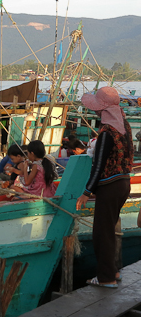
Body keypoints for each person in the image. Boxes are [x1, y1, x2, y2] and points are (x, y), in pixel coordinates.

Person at [76, 86, 133, 288]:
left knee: (102, 233)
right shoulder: (124, 127)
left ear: (103, 110)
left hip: (109, 186)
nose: (96, 112)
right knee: (110, 230)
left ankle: (106, 278)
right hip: (124, 183)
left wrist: (86, 192)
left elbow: (99, 165)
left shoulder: (107, 132)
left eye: (97, 109)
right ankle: (113, 271)